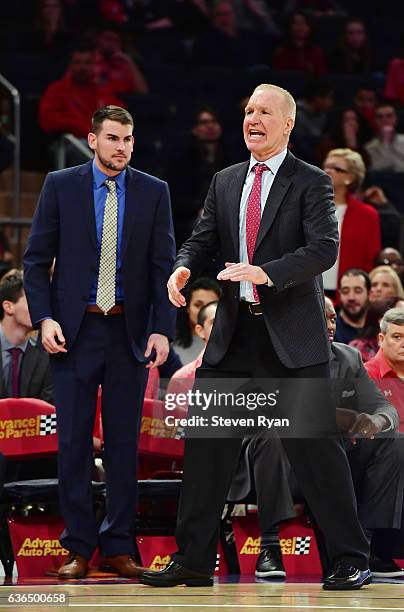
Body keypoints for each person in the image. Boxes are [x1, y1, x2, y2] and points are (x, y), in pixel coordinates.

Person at [141, 83, 371, 590]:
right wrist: (182, 269)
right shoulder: (225, 180)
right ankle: (195, 558)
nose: (253, 118)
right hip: (233, 335)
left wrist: (266, 273)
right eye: (248, 110)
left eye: (264, 111)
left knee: (315, 451)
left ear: (288, 123)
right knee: (207, 447)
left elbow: (323, 250)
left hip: (291, 334)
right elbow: (202, 239)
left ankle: (350, 557)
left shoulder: (311, 181)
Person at [23, 105, 176, 579]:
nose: (122, 148)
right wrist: (44, 318)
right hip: (74, 331)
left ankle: (118, 546)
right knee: (71, 442)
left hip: (128, 332)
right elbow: (35, 261)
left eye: (128, 140)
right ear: (92, 139)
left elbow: (162, 268)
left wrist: (161, 328)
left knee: (124, 445)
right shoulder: (60, 184)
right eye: (113, 138)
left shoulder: (154, 191)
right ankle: (77, 547)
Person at [325, 297, 404, 579]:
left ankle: (374, 548)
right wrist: (348, 418)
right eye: (397, 336)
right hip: (298, 453)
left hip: (352, 454)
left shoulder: (348, 357)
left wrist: (377, 421)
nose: (330, 325)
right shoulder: (281, 357)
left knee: (395, 442)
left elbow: (383, 410)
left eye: (334, 318)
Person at [321, 148, 381, 294]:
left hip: (348, 294)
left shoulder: (367, 215)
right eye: (325, 166)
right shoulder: (307, 208)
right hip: (310, 291)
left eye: (335, 168)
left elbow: (371, 259)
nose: (327, 170)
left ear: (350, 178)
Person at [0, 272, 53, 402]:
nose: (41, 308)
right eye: (32, 300)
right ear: (8, 306)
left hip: (30, 422)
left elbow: (48, 410)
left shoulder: (45, 357)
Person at [173, 277, 221, 366]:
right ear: (188, 307)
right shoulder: (170, 344)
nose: (204, 310)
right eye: (198, 305)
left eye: (211, 304)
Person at [364, 102, 404, 172]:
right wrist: (386, 143)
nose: (385, 120)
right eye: (380, 117)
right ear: (375, 121)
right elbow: (381, 169)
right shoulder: (369, 147)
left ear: (396, 119)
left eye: (389, 116)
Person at [335, 269, 370, 344]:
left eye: (358, 291)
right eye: (345, 291)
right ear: (339, 294)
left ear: (369, 294)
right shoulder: (330, 330)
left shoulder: (378, 327)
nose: (351, 297)